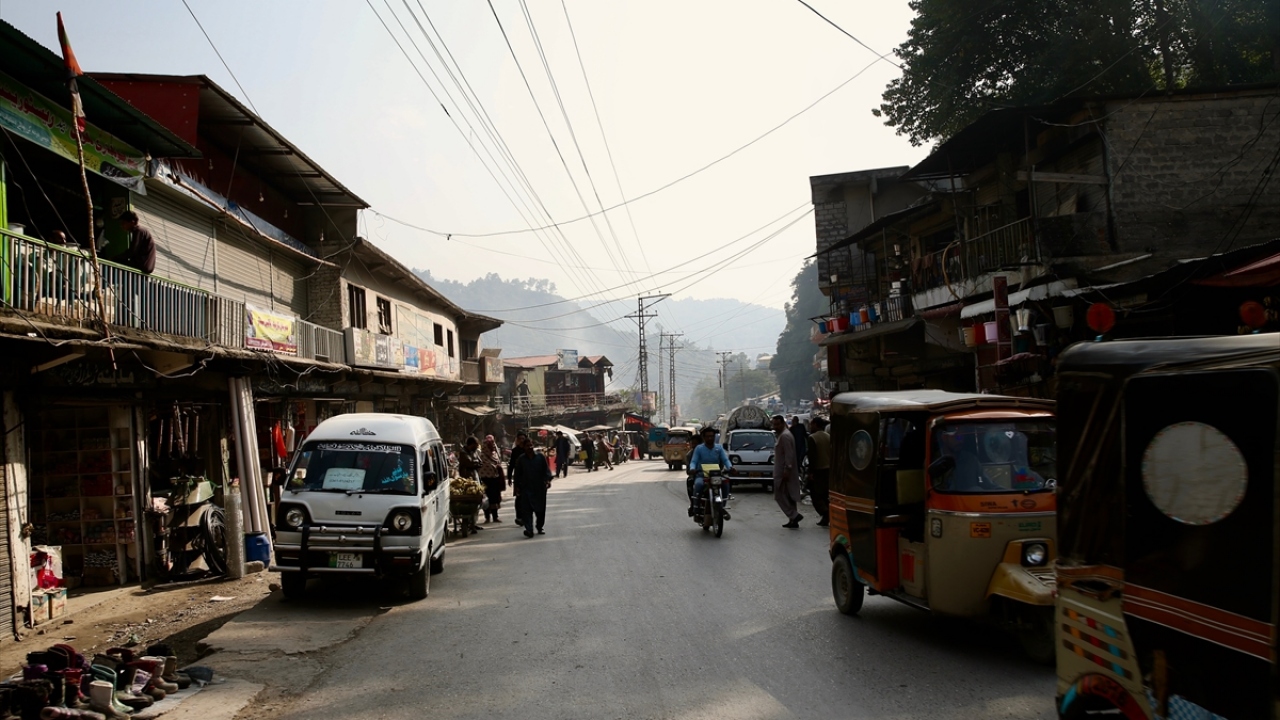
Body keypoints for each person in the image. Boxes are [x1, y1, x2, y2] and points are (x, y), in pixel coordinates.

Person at [686, 427, 732, 518]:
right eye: (707, 436)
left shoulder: (719, 448)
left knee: (726, 483)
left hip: (716, 475)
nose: (710, 438)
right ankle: (696, 508)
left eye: (712, 436)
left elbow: (725, 460)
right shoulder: (699, 449)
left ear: (714, 437)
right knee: (698, 485)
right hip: (702, 475)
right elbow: (694, 461)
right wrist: (692, 468)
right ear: (704, 437)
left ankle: (722, 507)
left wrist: (731, 467)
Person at [511, 437, 553, 537]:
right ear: (524, 447)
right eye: (527, 446)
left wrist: (547, 480)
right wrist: (516, 487)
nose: (530, 447)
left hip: (539, 488)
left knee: (540, 510)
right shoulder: (521, 459)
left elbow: (546, 470)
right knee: (527, 510)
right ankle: (529, 530)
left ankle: (539, 526)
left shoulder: (540, 457)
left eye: (531, 445)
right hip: (526, 488)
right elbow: (517, 474)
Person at [772, 415, 803, 528]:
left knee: (779, 495)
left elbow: (788, 455)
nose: (775, 427)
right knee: (789, 496)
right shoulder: (784, 435)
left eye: (777, 424)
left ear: (783, 424)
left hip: (783, 471)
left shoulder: (785, 436)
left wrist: (787, 469)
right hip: (784, 470)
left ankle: (793, 515)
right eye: (774, 424)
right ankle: (792, 520)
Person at [806, 417, 831, 526]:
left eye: (811, 425)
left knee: (815, 494)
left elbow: (812, 456)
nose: (810, 427)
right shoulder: (828, 436)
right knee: (825, 494)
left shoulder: (812, 438)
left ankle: (825, 513)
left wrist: (811, 473)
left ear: (815, 425)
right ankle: (826, 517)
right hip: (828, 469)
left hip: (818, 470)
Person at [115, 210, 156, 275]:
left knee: (117, 261)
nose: (122, 226)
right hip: (144, 265)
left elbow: (132, 251)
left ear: (132, 222)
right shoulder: (140, 231)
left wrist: (115, 258)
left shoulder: (139, 230)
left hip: (143, 264)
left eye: (123, 223)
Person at [456, 436, 484, 531]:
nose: (476, 447)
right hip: (466, 480)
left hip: (475, 478)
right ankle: (467, 523)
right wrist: (475, 463)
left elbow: (479, 462)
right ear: (470, 445)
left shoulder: (474, 452)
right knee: (468, 503)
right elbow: (469, 463)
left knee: (476, 502)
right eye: (475, 445)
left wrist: (475, 463)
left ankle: (473, 523)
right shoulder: (463, 452)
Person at [479, 435, 506, 523]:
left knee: (495, 498)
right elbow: (485, 466)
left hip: (495, 479)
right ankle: (487, 517)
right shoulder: (482, 455)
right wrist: (495, 467)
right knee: (486, 498)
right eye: (490, 445)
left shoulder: (495, 453)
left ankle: (495, 516)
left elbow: (498, 463)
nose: (493, 446)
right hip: (485, 479)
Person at [507, 432, 531, 527]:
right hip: (519, 478)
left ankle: (527, 518)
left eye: (523, 438)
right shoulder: (515, 451)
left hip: (529, 478)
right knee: (519, 498)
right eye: (519, 438)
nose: (521, 440)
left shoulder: (529, 451)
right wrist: (509, 477)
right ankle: (519, 517)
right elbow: (512, 464)